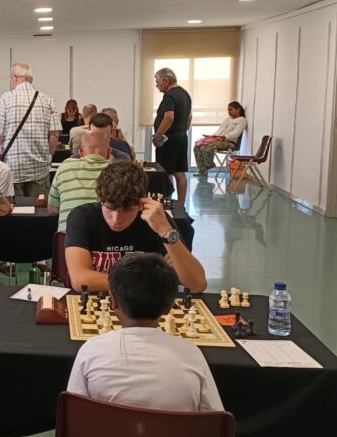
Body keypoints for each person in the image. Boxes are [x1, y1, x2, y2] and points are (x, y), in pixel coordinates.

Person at [66, 253, 224, 412]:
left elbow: (72, 414)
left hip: (107, 429)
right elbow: (216, 418)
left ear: (113, 300)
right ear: (169, 307)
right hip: (173, 430)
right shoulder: (192, 355)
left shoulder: (90, 351)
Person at [64, 162, 206, 293]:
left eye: (127, 210)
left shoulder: (156, 220)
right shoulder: (82, 217)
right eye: (110, 208)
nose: (116, 219)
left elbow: (197, 284)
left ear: (141, 204)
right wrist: (150, 282)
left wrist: (166, 231)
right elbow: (81, 281)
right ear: (100, 199)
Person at [0, 62, 60, 197]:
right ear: (30, 79)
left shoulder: (5, 99)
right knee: (39, 207)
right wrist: (48, 157)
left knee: (14, 208)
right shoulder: (47, 100)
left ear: (14, 78)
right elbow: (54, 135)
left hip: (13, 167)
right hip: (40, 167)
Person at [49, 132, 113, 231]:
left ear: (80, 153)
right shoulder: (117, 170)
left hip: (67, 236)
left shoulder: (66, 166)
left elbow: (52, 209)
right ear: (109, 153)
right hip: (104, 237)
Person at [152, 67, 193, 202]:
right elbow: (189, 117)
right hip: (181, 137)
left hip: (168, 139)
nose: (156, 85)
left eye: (157, 82)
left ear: (166, 80)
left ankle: (167, 203)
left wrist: (157, 136)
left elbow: (169, 117)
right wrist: (182, 130)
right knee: (180, 173)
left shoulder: (169, 96)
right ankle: (180, 206)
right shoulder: (185, 94)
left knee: (166, 172)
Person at [194, 102, 247, 176]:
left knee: (206, 147)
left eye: (231, 109)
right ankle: (202, 170)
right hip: (218, 139)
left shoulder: (242, 120)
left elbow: (236, 133)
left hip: (229, 142)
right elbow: (220, 130)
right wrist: (211, 136)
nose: (229, 112)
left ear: (238, 109)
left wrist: (223, 137)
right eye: (228, 110)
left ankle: (209, 165)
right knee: (197, 146)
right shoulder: (227, 119)